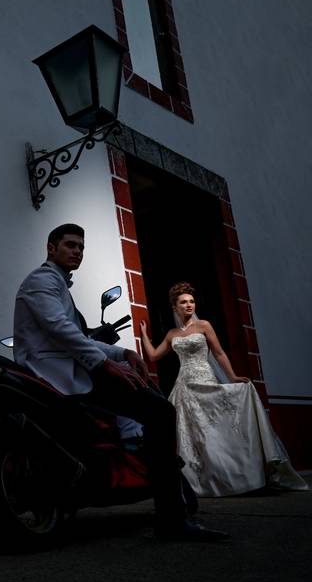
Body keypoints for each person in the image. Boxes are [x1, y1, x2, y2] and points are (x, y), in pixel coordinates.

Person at [14, 223, 229, 541]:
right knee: (160, 412)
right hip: (58, 374)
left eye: (81, 247)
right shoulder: (42, 279)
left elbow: (75, 337)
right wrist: (105, 363)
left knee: (145, 405)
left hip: (67, 367)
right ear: (51, 248)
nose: (77, 251)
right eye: (70, 245)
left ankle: (133, 469)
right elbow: (59, 329)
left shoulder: (57, 285)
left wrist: (122, 352)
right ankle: (171, 521)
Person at [140, 282, 308, 497]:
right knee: (195, 433)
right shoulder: (172, 334)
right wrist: (144, 334)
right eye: (183, 302)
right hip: (184, 387)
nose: (189, 305)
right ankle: (206, 480)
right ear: (175, 307)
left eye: (191, 301)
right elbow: (153, 356)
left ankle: (235, 476)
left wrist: (233, 377)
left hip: (205, 380)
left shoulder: (204, 326)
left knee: (215, 428)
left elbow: (219, 353)